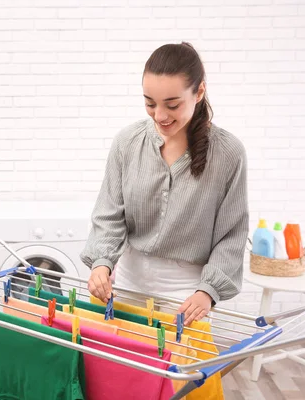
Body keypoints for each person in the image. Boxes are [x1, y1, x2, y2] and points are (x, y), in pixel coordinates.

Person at [81, 42, 249, 327]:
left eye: (172, 105)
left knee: (178, 369)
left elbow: (231, 234)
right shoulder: (128, 142)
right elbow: (109, 214)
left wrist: (208, 292)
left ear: (199, 92)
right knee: (120, 367)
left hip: (187, 291)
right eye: (150, 103)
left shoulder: (228, 153)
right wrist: (101, 262)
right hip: (128, 280)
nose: (160, 115)